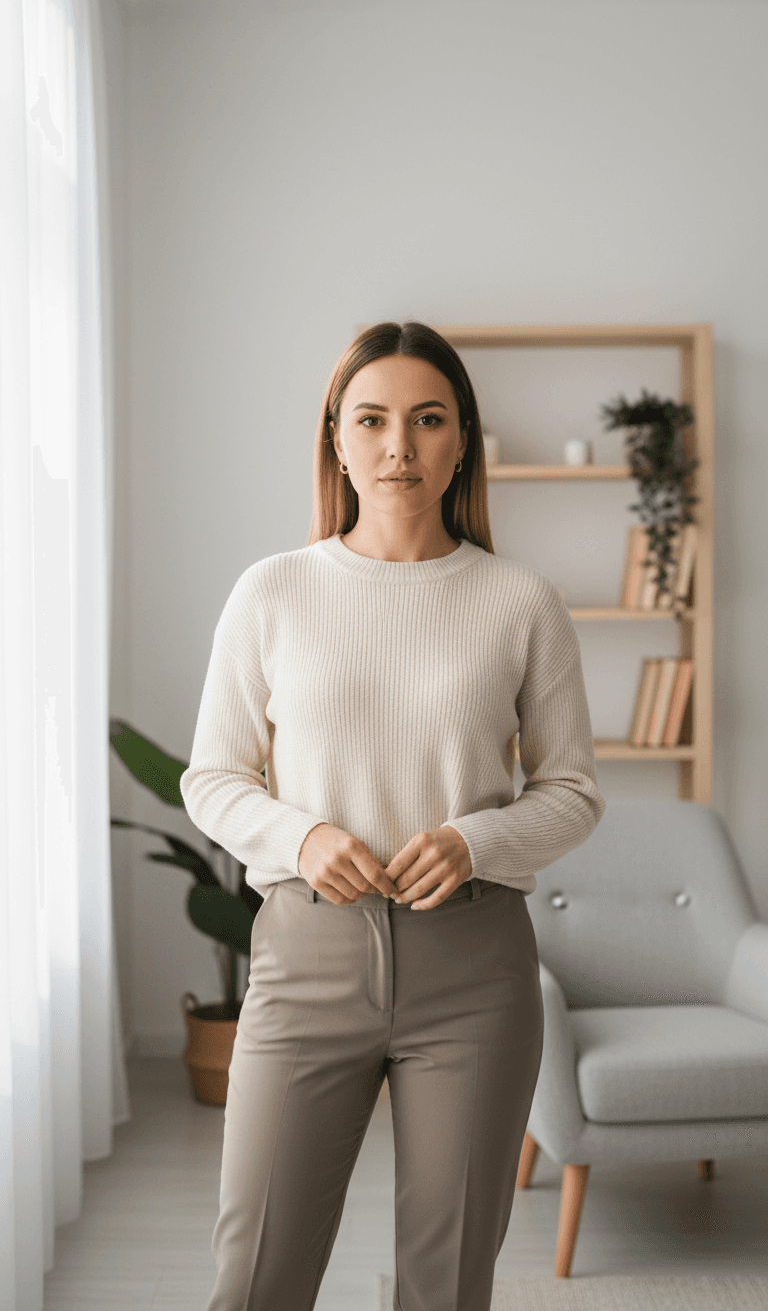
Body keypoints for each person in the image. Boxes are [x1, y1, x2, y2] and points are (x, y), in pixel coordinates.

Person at [180, 320, 606, 1311]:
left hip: (475, 969)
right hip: (307, 960)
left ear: (463, 442)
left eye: (427, 420)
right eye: (371, 420)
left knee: (445, 1286)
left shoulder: (521, 601)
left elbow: (573, 790)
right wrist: (301, 837)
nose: (398, 447)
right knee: (255, 1278)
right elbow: (214, 778)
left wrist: (474, 840)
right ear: (336, 439)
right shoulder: (273, 591)